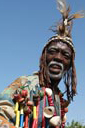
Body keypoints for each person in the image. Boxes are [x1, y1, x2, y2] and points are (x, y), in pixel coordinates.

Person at [0, 0, 84, 128]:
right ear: (44, 58)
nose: (58, 57)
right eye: (52, 52)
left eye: (65, 55)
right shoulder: (25, 84)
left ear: (70, 65)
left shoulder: (59, 100)